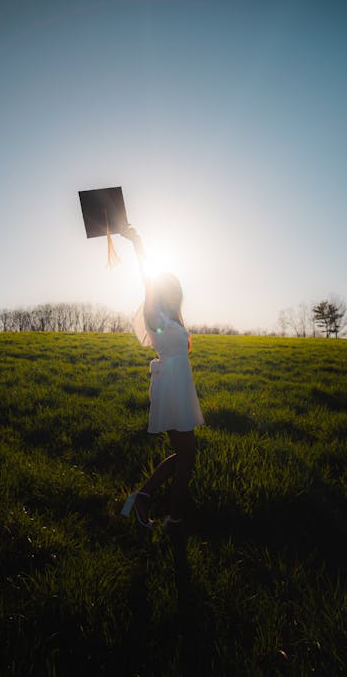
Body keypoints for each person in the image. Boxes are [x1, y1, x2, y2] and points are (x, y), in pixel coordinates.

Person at [119, 225, 204, 534]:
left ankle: (146, 499)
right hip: (170, 384)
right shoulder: (155, 314)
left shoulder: (172, 319)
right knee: (187, 453)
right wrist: (138, 243)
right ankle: (172, 518)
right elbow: (146, 278)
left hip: (179, 384)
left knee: (186, 453)